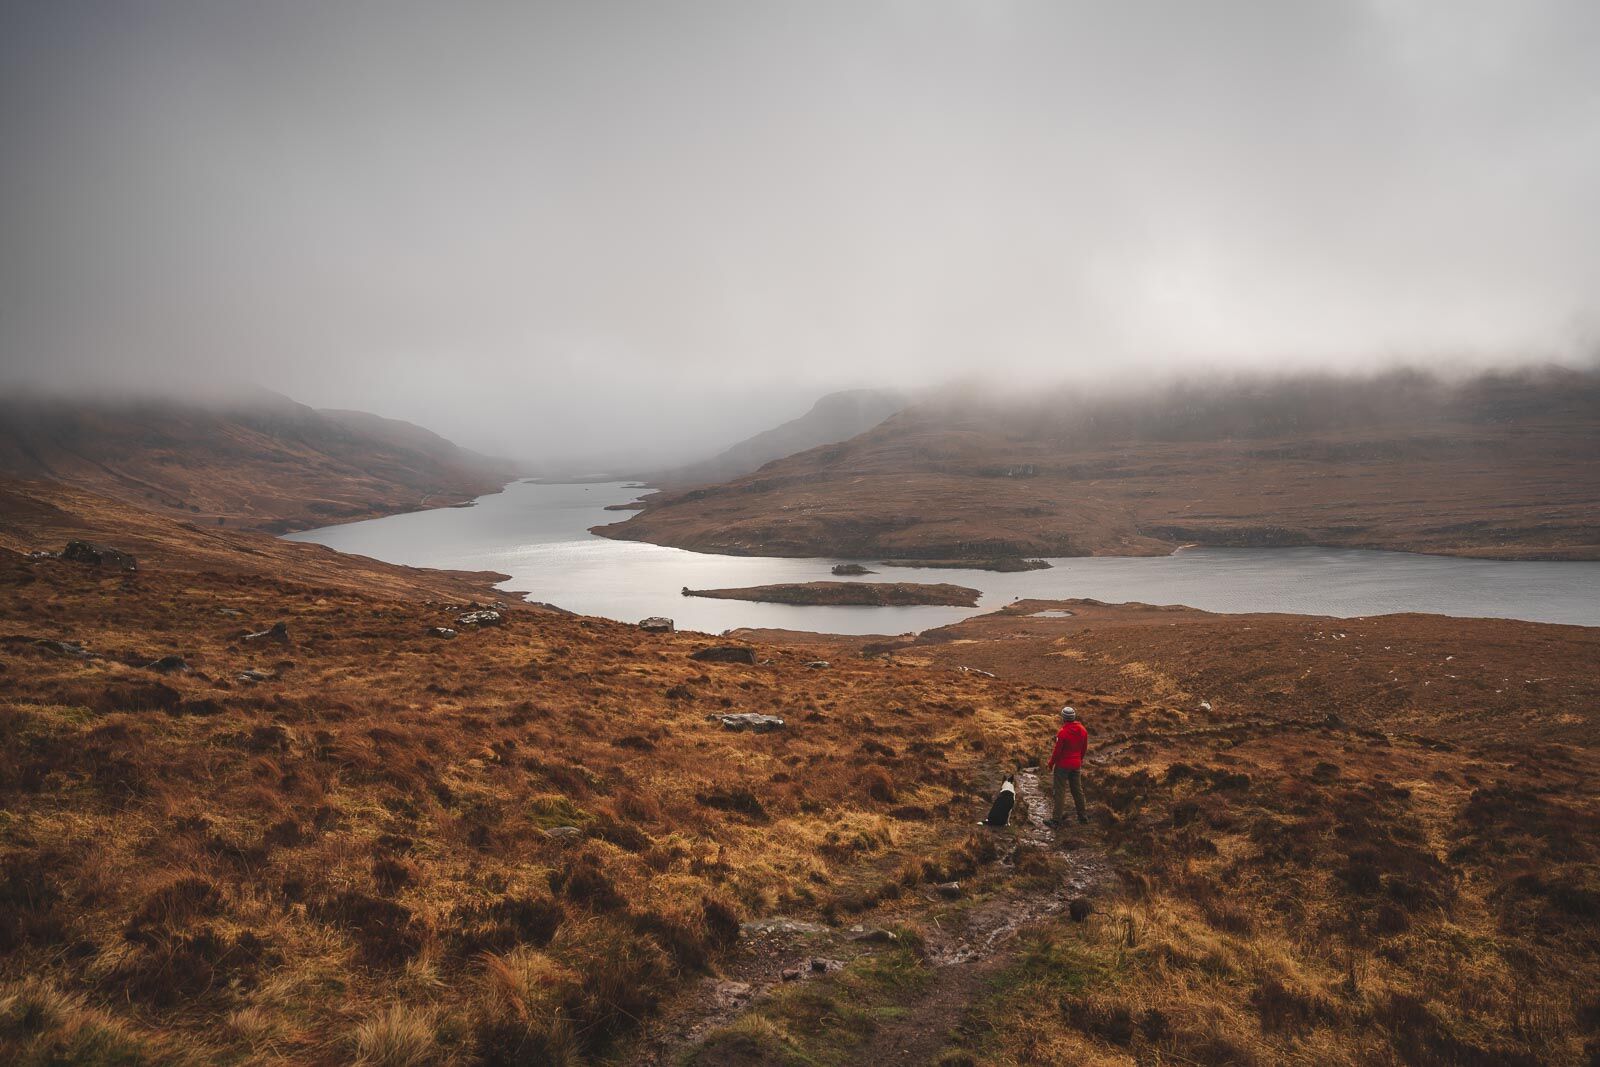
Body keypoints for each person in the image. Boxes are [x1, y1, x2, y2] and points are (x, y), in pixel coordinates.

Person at [1047, 706, 1088, 826]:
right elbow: (1084, 748)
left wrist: (1051, 763)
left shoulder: (1063, 732)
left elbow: (1057, 751)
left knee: (1059, 791)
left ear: (1063, 718)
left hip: (1062, 766)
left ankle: (1055, 820)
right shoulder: (1083, 730)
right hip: (1076, 765)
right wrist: (1079, 760)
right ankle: (1083, 817)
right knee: (1077, 791)